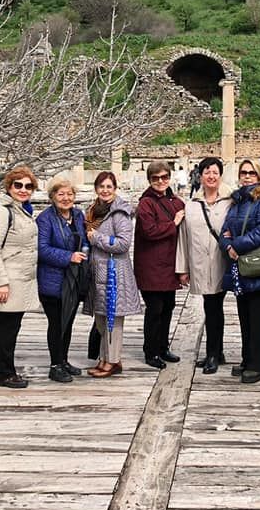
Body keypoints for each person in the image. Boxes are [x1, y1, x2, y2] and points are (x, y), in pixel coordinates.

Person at [219, 159, 260, 384]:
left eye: (252, 173)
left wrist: (236, 245)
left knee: (257, 318)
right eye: (243, 172)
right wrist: (228, 246)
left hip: (256, 263)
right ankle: (247, 359)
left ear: (259, 177)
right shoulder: (237, 201)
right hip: (239, 264)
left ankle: (257, 365)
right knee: (244, 316)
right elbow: (224, 231)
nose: (247, 176)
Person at [176, 157, 233, 374]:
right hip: (200, 263)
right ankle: (216, 352)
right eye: (207, 172)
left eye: (215, 172)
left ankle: (213, 353)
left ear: (220, 176)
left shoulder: (230, 202)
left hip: (222, 262)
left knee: (213, 307)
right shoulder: (191, 205)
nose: (211, 176)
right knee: (212, 306)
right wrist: (182, 268)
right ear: (200, 176)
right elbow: (184, 237)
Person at [82, 171, 143, 378]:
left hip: (114, 273)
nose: (105, 190)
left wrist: (97, 238)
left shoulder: (119, 213)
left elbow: (123, 244)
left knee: (113, 320)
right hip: (97, 270)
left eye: (109, 186)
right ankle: (104, 358)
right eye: (101, 186)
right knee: (101, 319)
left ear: (115, 189)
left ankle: (113, 361)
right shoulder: (93, 211)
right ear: (96, 189)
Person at [0, 166, 40, 389]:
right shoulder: (2, 212)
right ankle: (6, 373)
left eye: (28, 186)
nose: (23, 189)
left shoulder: (22, 209)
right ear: (9, 187)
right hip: (9, 279)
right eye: (18, 185)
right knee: (8, 328)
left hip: (21, 277)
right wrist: (1, 282)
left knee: (10, 326)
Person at [37, 177, 89, 384]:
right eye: (61, 194)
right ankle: (55, 365)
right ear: (52, 196)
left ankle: (64, 360)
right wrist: (69, 257)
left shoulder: (78, 214)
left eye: (69, 194)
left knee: (68, 322)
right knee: (57, 323)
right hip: (53, 280)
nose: (66, 198)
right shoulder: (45, 218)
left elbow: (83, 239)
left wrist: (85, 250)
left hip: (73, 279)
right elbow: (41, 249)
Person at [134, 160, 185, 369]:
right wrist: (173, 223)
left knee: (168, 307)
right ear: (149, 180)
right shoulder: (146, 203)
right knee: (155, 309)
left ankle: (163, 347)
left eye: (164, 177)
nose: (160, 181)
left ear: (169, 178)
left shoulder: (176, 201)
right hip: (151, 264)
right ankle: (151, 351)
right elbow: (150, 231)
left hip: (169, 263)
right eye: (155, 178)